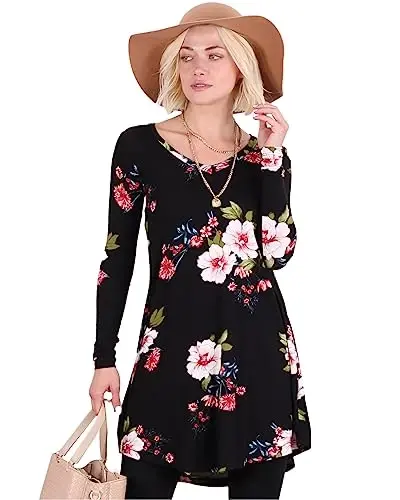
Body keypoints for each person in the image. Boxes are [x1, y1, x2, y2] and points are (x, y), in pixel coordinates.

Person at [89, 2, 311, 498]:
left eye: (214, 55)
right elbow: (117, 258)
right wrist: (105, 357)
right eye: (186, 56)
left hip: (257, 357)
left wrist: (271, 156)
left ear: (241, 67)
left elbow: (277, 252)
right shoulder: (139, 147)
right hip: (168, 356)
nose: (198, 68)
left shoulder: (264, 156)